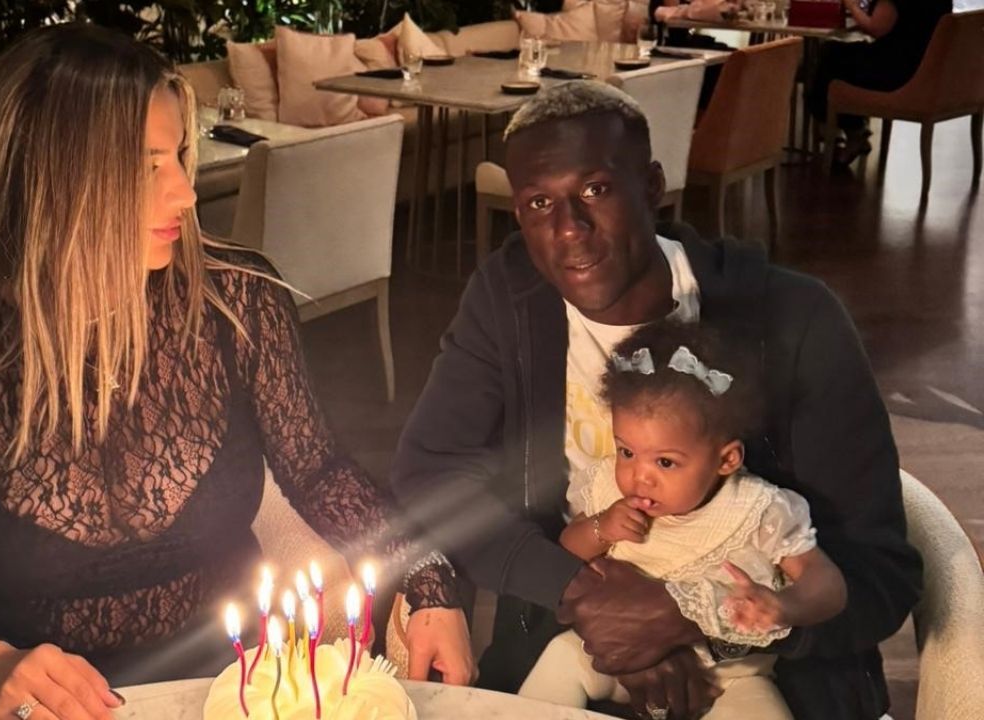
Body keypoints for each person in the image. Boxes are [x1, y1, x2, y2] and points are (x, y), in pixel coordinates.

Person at [0, 24, 472, 720]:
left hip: (220, 687)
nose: (184, 194)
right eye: (147, 167)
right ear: (50, 180)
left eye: (178, 159)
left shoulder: (238, 302)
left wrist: (427, 576)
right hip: (26, 704)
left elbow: (319, 471)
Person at [391, 82, 921, 720]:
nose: (569, 228)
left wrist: (691, 622)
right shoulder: (508, 301)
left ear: (652, 187)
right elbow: (433, 472)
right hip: (569, 645)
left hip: (770, 676)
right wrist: (583, 597)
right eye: (539, 203)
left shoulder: (792, 318)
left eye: (595, 189)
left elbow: (880, 575)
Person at [518, 320, 847, 719]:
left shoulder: (756, 510)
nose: (639, 476)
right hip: (619, 660)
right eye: (626, 452)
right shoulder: (607, 491)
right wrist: (600, 528)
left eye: (665, 462)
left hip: (728, 678)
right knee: (562, 657)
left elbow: (827, 583)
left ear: (727, 459)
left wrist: (783, 605)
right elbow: (566, 552)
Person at [808, 0, 953, 166]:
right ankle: (850, 129)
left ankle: (851, 131)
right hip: (925, 74)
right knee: (841, 57)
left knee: (831, 57)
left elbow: (876, 28)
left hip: (896, 73)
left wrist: (851, 6)